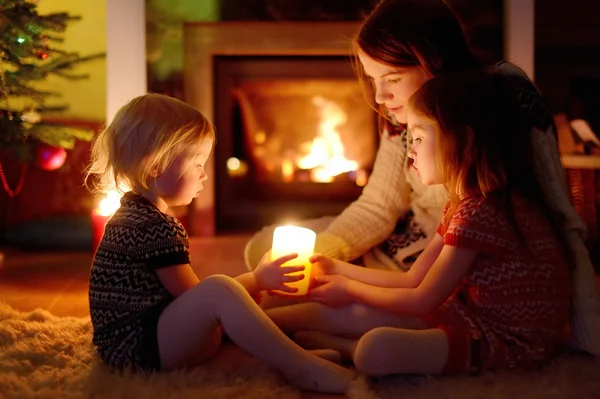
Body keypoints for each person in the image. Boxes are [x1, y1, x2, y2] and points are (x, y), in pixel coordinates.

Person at [245, 0, 600, 357]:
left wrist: (587, 330)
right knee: (265, 249)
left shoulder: (503, 94)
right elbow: (378, 208)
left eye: (392, 79)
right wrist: (319, 257)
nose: (381, 97)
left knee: (383, 313)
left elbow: (561, 214)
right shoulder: (402, 118)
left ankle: (337, 324)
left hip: (456, 269)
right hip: (406, 249)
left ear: (432, 61)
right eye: (373, 80)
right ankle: (322, 316)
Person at [266, 71, 573, 376]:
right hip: (469, 314)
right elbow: (413, 278)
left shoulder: (482, 212)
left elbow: (420, 300)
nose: (410, 150)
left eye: (420, 138)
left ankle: (345, 348)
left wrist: (349, 288)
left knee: (377, 348)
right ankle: (263, 322)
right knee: (370, 311)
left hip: (503, 341)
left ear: (463, 141)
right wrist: (340, 270)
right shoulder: (462, 202)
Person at [84, 93, 354, 394]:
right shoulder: (150, 226)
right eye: (196, 162)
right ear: (155, 167)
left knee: (231, 303)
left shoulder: (134, 214)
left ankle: (285, 357)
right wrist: (258, 280)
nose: (204, 173)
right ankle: (300, 367)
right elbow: (200, 297)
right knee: (219, 291)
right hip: (139, 349)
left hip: (141, 339)